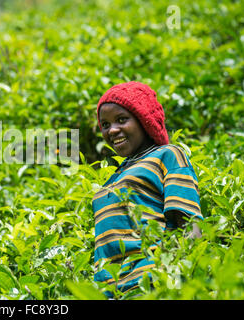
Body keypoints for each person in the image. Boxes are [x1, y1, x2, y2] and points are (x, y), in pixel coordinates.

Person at [93, 81, 203, 296]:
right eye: (105, 124)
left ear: (144, 120)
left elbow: (191, 226)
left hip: (151, 283)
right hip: (110, 291)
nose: (112, 130)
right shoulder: (114, 177)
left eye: (122, 120)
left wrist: (169, 275)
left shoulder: (167, 155)